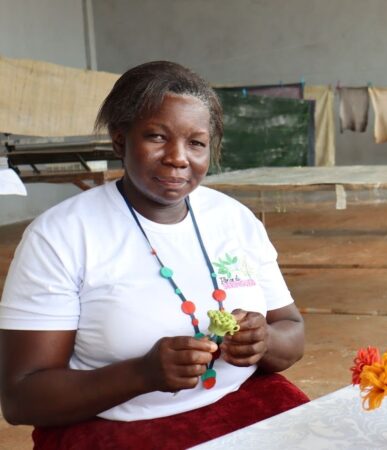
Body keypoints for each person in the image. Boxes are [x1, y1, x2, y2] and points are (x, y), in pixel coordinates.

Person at [0, 61, 309, 449]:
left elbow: (291, 331)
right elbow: (21, 397)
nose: (178, 158)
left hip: (238, 402)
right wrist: (143, 374)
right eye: (157, 137)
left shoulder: (234, 220)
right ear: (119, 140)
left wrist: (265, 342)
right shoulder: (60, 236)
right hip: (118, 425)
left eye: (196, 143)